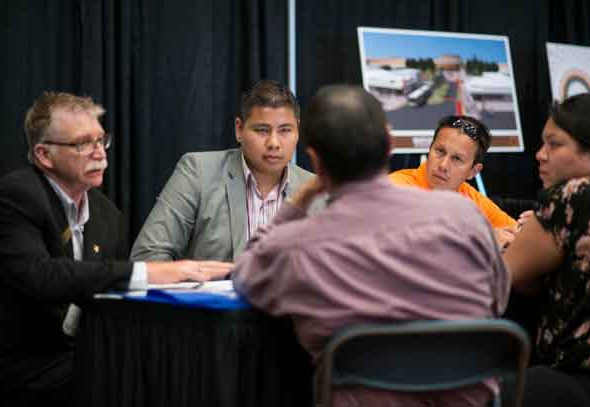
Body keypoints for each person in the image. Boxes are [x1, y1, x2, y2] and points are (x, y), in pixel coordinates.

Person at [232, 85, 508, 406]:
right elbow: (498, 299)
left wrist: (299, 201)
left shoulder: (297, 245)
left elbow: (245, 276)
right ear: (390, 143)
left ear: (315, 161)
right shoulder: (466, 216)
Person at [0, 92, 231, 407]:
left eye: (101, 141)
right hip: (18, 363)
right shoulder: (16, 197)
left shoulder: (106, 215)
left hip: (79, 353)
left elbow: (107, 297)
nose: (99, 153)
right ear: (44, 155)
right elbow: (41, 276)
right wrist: (149, 272)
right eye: (83, 144)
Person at [130, 79, 316, 264]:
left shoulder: (317, 190)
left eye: (285, 130)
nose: (274, 143)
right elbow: (147, 254)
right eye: (262, 130)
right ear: (239, 129)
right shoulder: (199, 172)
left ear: (297, 131)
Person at [503, 93, 590, 407]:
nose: (540, 155)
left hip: (572, 378)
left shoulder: (574, 194)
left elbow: (501, 277)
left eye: (554, 144)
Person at [389, 115, 518, 248]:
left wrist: (528, 227)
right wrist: (484, 238)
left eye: (457, 159)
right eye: (440, 151)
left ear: (473, 171)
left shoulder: (472, 199)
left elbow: (517, 235)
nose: (443, 165)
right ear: (429, 149)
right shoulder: (396, 187)